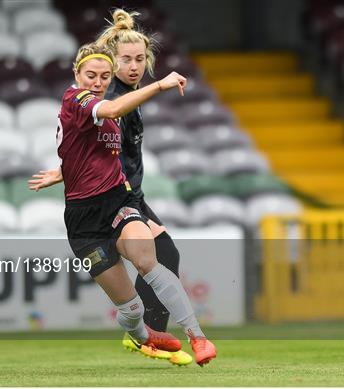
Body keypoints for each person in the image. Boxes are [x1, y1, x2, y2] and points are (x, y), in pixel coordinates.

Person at [29, 41, 217, 367]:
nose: (98, 82)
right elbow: (112, 111)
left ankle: (198, 336)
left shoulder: (106, 108)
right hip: (84, 220)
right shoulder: (77, 99)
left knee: (151, 261)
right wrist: (160, 83)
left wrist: (63, 171)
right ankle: (143, 336)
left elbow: (93, 153)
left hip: (119, 201)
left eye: (104, 76)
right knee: (131, 310)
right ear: (77, 74)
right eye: (91, 75)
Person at [95, 9, 192, 366]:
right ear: (113, 61)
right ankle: (146, 337)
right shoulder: (115, 98)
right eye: (126, 59)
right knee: (163, 255)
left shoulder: (127, 95)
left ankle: (144, 335)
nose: (134, 65)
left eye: (140, 59)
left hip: (130, 195)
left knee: (164, 255)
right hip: (113, 198)